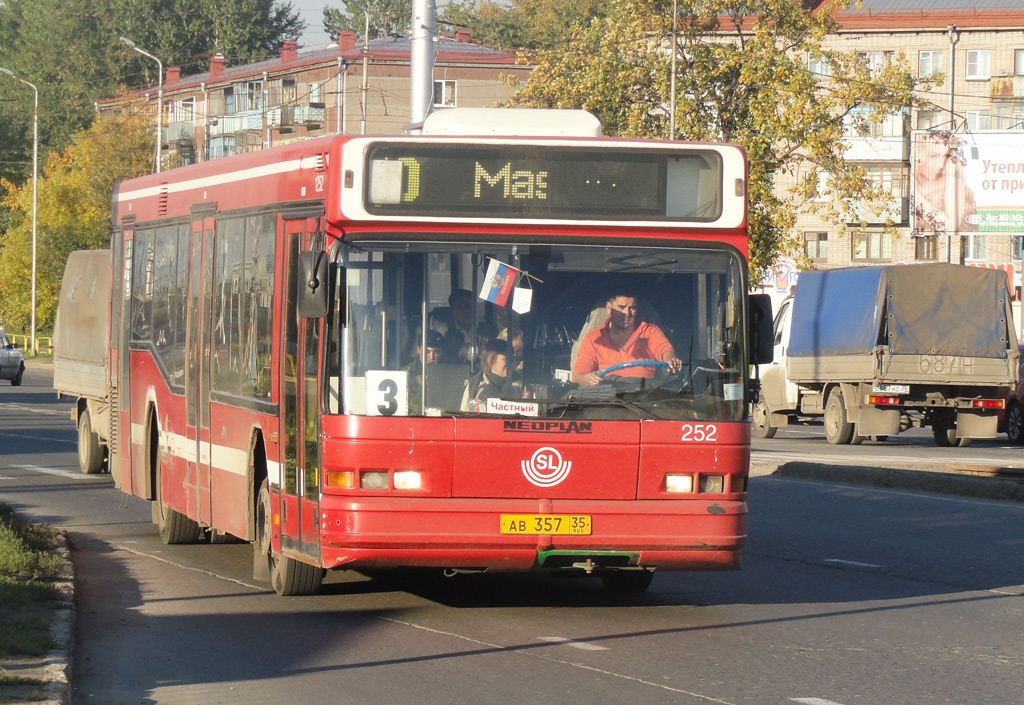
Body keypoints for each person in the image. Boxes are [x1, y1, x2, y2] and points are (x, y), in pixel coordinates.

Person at [572, 292, 683, 386]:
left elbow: (664, 349)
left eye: (632, 308)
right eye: (621, 307)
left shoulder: (650, 331)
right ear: (609, 308)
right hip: (609, 399)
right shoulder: (594, 339)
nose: (627, 313)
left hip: (646, 396)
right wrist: (588, 378)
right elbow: (578, 376)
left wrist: (670, 359)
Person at [914, 132, 977, 233]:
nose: (940, 164)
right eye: (934, 156)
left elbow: (950, 228)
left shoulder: (953, 164)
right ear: (917, 156)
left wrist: (914, 196)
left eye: (946, 156)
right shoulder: (910, 175)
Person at [404, 329, 445, 414]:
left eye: (436, 352)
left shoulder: (449, 375)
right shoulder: (405, 374)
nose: (431, 357)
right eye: (427, 352)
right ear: (418, 349)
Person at [462, 339, 510, 411]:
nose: (510, 363)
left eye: (512, 358)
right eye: (506, 359)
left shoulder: (520, 386)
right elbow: (469, 418)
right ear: (491, 360)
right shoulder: (474, 387)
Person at [430, 289, 475, 362]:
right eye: (460, 307)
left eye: (467, 306)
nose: (464, 311)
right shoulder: (443, 334)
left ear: (474, 309)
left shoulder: (487, 333)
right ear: (452, 311)